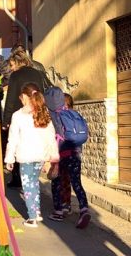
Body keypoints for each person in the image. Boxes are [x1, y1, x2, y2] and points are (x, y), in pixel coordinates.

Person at [4, 83, 59, 228]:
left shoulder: (18, 115)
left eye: (21, 96)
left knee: (28, 186)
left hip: (26, 155)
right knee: (34, 183)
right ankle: (37, 212)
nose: (20, 99)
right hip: (40, 155)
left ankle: (32, 217)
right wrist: (51, 157)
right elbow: (50, 136)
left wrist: (9, 158)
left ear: (25, 97)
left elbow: (13, 138)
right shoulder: (43, 112)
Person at [45, 88, 91, 229]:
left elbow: (54, 137)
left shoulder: (56, 116)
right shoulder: (75, 114)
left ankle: (59, 211)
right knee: (76, 183)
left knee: (57, 182)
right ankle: (83, 208)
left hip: (61, 155)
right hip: (75, 154)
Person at [2, 50, 48, 188]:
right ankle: (32, 175)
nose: (11, 68)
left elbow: (10, 99)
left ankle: (18, 177)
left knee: (18, 145)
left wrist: (6, 120)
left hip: (20, 113)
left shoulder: (15, 75)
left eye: (11, 65)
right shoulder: (37, 73)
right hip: (37, 112)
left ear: (16, 62)